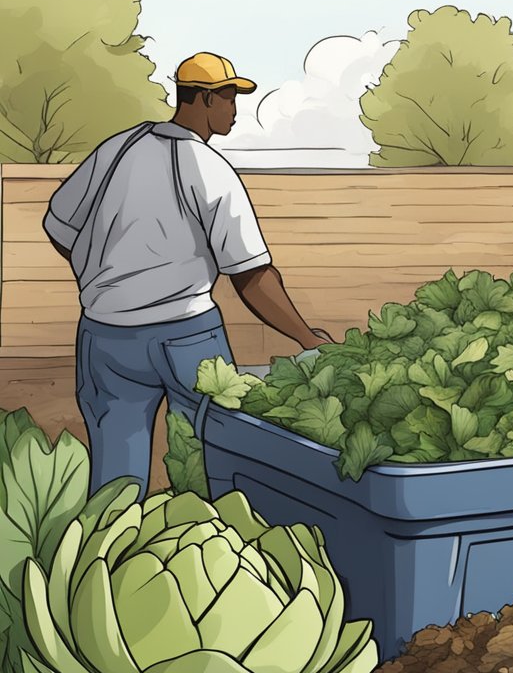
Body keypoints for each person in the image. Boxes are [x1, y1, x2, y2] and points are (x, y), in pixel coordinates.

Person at [43, 52, 333, 498]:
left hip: (105, 337)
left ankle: (113, 562)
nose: (235, 111)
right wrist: (307, 337)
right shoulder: (209, 169)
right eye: (229, 98)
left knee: (115, 483)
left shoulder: (117, 148)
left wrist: (103, 280)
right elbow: (252, 276)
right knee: (204, 467)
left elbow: (59, 224)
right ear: (202, 98)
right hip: (187, 337)